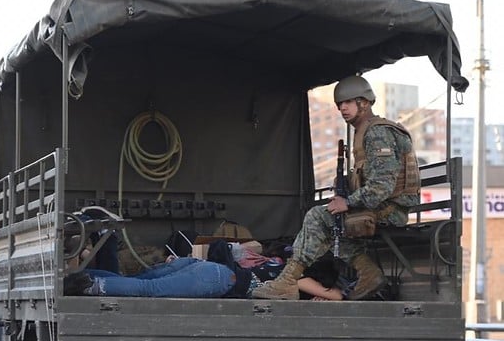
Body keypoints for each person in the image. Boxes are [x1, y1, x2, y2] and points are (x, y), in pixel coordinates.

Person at [253, 75, 418, 300]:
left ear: (365, 102)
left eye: (348, 102)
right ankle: (368, 273)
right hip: (379, 206)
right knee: (334, 224)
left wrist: (348, 202)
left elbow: (382, 186)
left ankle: (287, 280)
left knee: (318, 217)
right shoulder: (366, 132)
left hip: (390, 210)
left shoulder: (378, 133)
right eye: (340, 104)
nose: (343, 108)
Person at [65, 256, 236, 298]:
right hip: (218, 279)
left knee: (140, 281)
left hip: (201, 264)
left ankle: (83, 276)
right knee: (148, 289)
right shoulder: (259, 275)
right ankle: (90, 285)